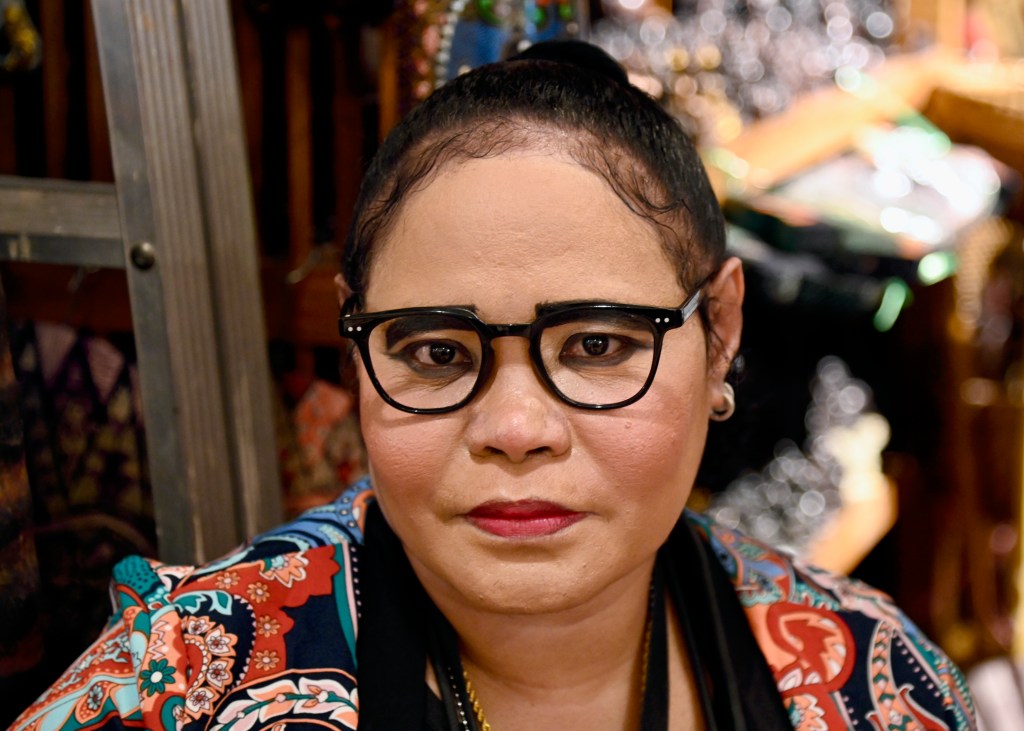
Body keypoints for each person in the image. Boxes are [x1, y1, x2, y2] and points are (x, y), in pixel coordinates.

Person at [13, 41, 974, 731]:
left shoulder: (869, 680)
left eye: (597, 345)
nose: (515, 427)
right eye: (437, 352)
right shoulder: (178, 687)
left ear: (719, 330)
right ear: (359, 351)